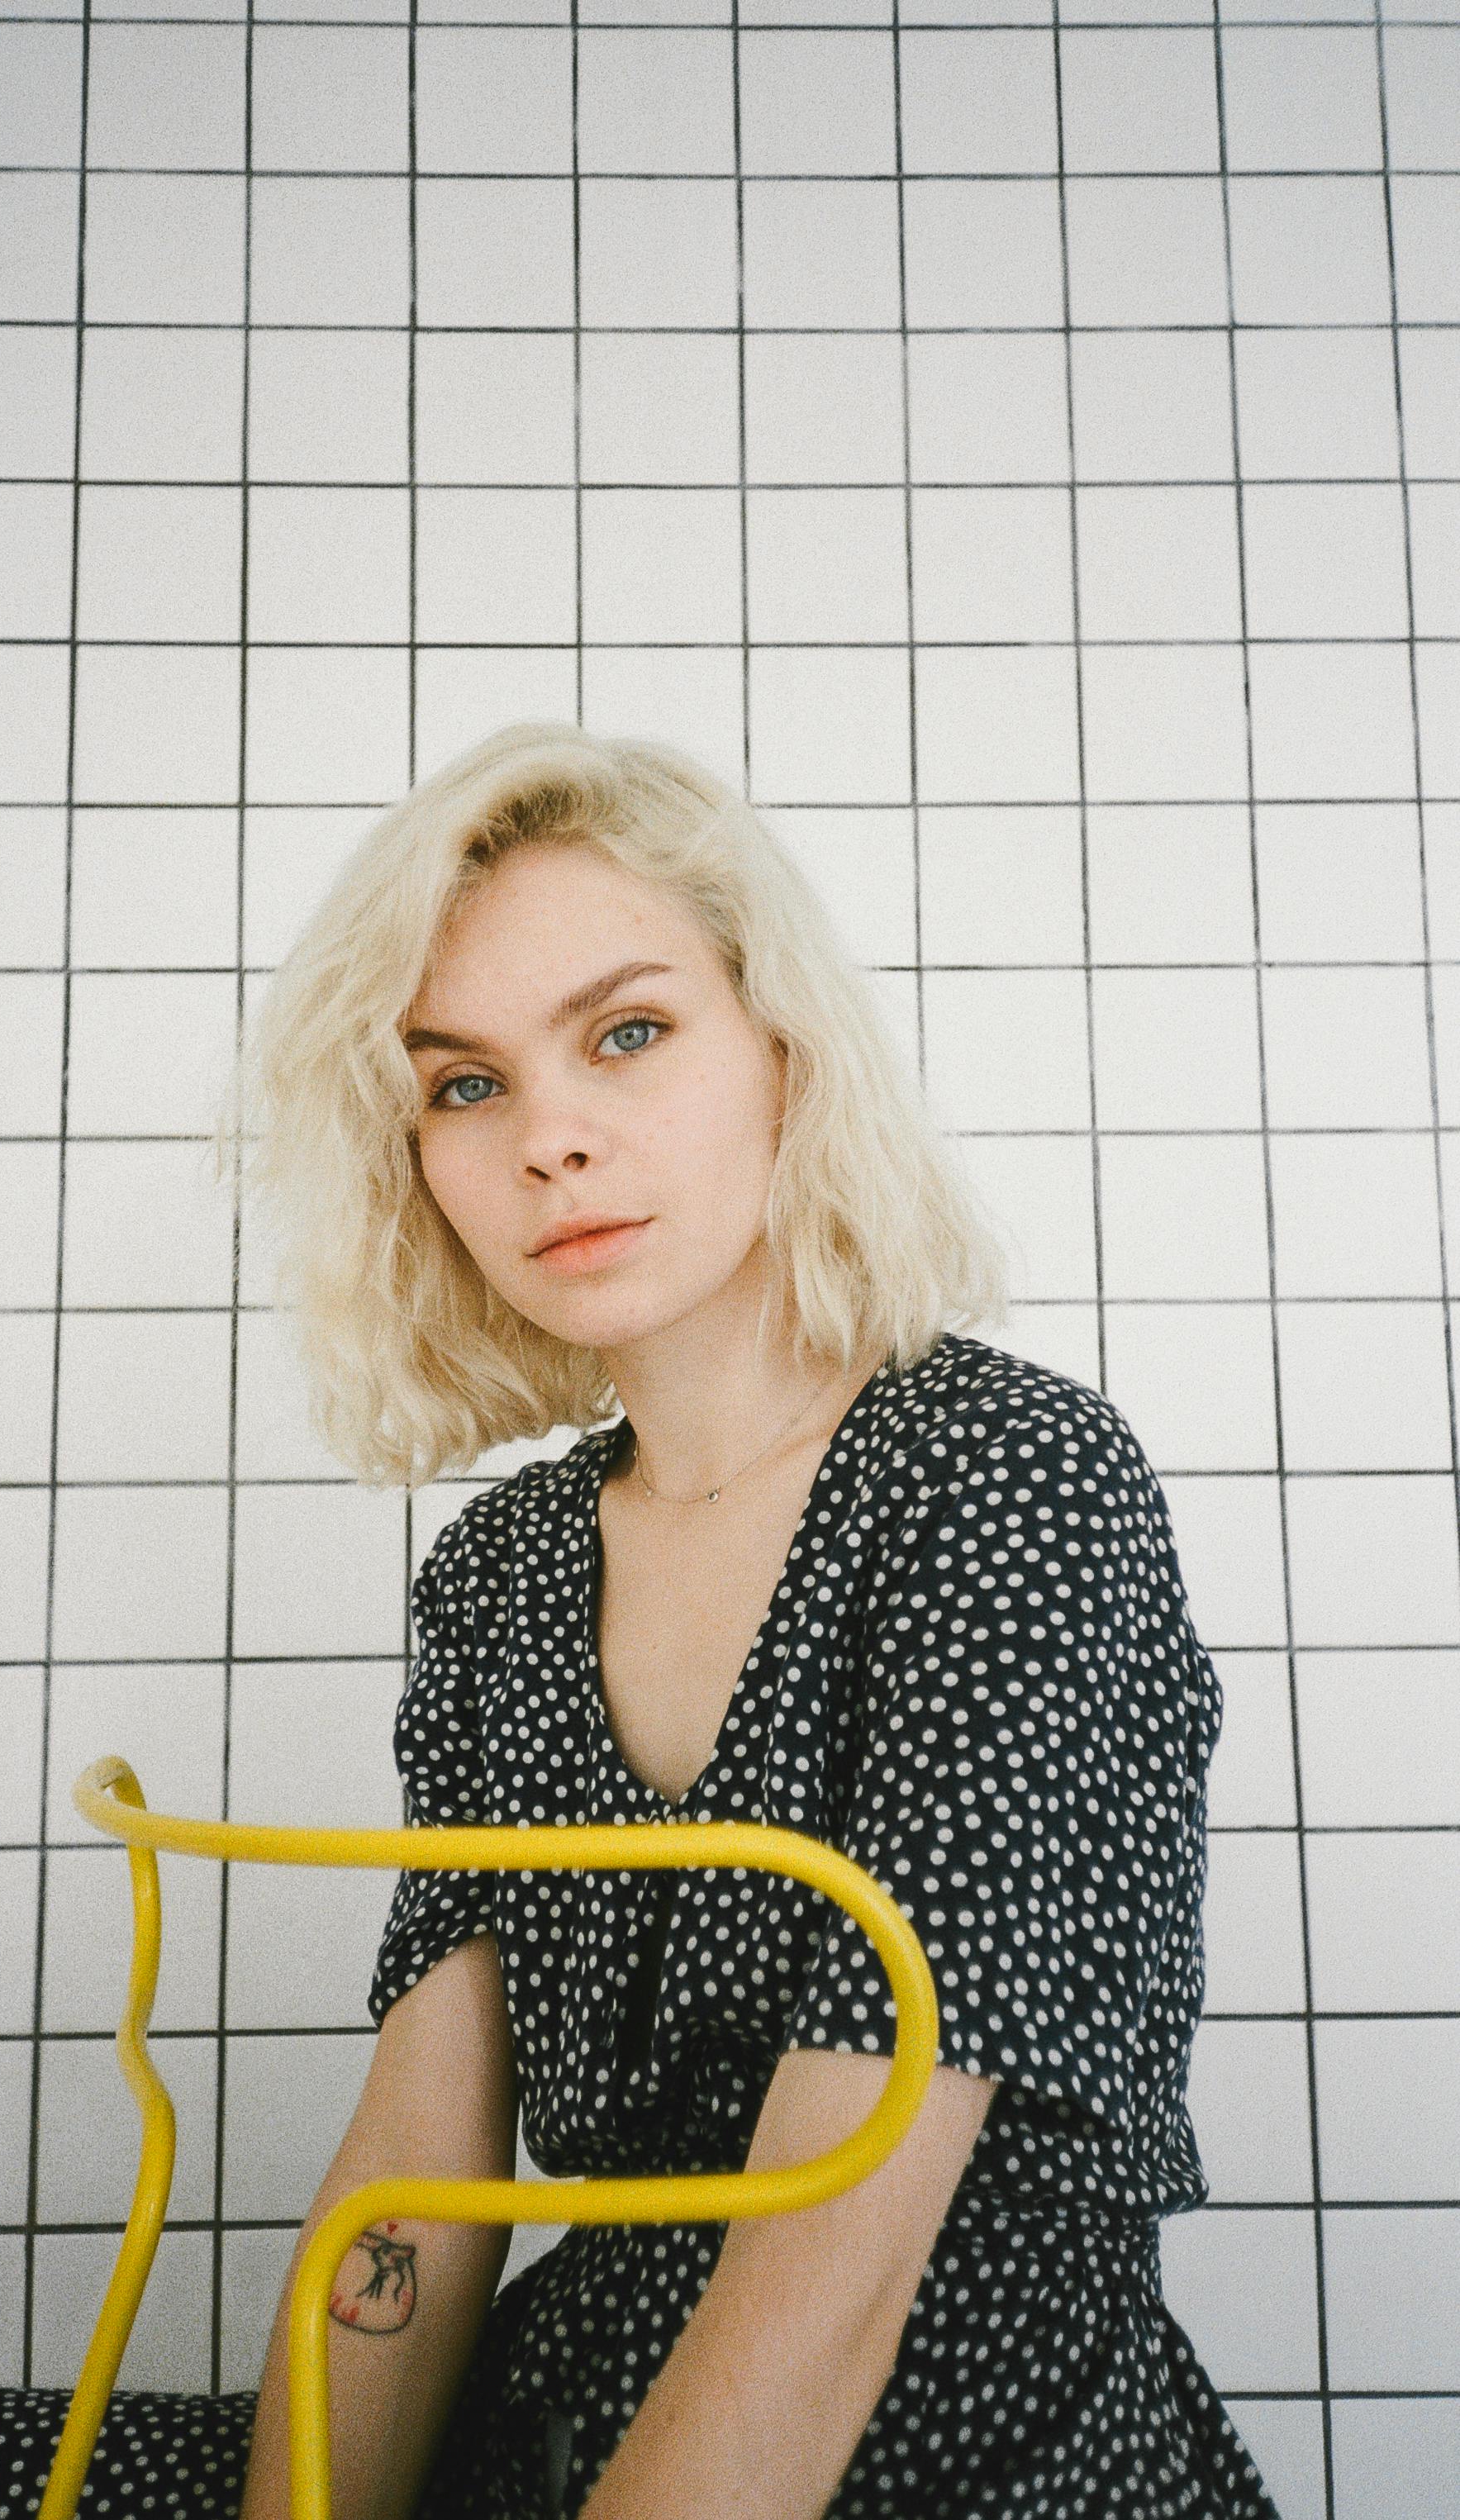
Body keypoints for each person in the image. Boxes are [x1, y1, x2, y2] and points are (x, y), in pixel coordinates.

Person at [223, 722, 1285, 2520]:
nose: (550, 1136)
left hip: (962, 2471)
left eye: (627, 1033)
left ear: (783, 1051)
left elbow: (844, 2246)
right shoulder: (497, 1581)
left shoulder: (1002, 1475)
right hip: (544, 2441)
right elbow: (410, 2176)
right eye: (463, 1083)